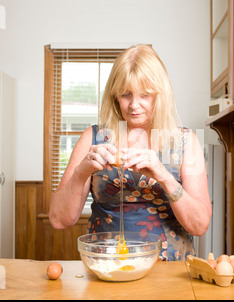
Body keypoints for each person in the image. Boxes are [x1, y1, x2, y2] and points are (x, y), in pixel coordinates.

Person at [49, 44, 212, 261]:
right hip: (106, 267)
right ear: (115, 95)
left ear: (159, 95)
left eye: (144, 95)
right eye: (126, 94)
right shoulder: (93, 137)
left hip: (170, 273)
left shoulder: (186, 142)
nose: (134, 105)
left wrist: (163, 176)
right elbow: (59, 220)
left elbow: (200, 225)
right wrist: (81, 172)